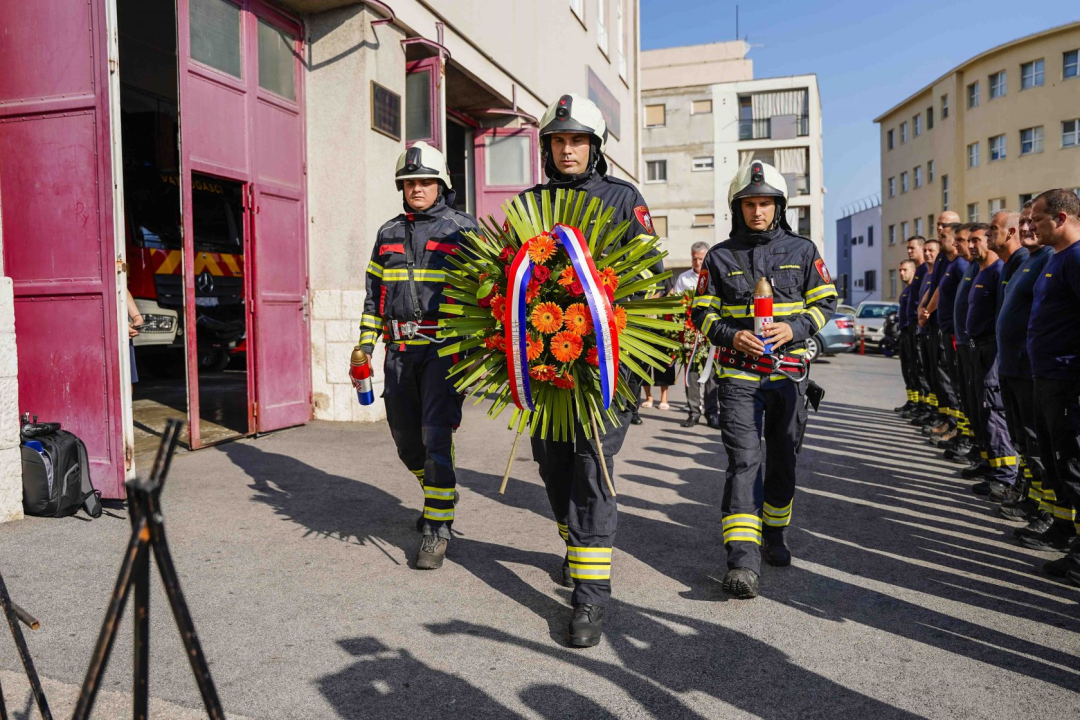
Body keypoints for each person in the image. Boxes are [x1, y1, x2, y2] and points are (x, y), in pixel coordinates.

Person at [519, 93, 661, 647]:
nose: (567, 149)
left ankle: (590, 598)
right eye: (558, 140)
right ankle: (576, 542)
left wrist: (638, 352)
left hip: (607, 367)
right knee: (552, 464)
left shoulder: (624, 198)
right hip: (547, 366)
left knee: (591, 467)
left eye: (577, 140)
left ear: (594, 147)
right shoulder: (530, 204)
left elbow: (648, 279)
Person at [691, 159, 837, 598]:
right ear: (738, 207)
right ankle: (742, 561)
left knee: (784, 460)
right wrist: (731, 336)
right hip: (737, 378)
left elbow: (826, 303)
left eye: (766, 203)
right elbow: (701, 313)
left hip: (788, 378)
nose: (758, 211)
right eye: (750, 203)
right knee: (744, 461)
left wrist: (795, 329)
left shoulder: (803, 250)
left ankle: (775, 534)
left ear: (779, 206)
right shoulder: (719, 256)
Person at [360, 142, 479, 570]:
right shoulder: (387, 233)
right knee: (406, 440)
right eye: (409, 182)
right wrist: (364, 344)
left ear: (441, 184)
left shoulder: (463, 229)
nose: (417, 188)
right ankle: (438, 493)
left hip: (443, 353)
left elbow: (484, 295)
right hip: (398, 353)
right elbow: (374, 296)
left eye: (426, 181)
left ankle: (437, 528)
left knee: (435, 436)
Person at [1022, 189, 1080, 568]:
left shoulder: (1076, 258)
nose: (1031, 227)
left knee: (1073, 463)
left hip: (1067, 381)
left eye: (1037, 220)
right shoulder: (1056, 258)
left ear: (1060, 219)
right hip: (1046, 378)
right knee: (1057, 461)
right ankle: (1064, 532)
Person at [996, 201, 1054, 535]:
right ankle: (1032, 498)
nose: (1027, 228)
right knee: (1023, 440)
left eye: (1034, 221)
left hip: (1030, 370)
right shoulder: (1028, 261)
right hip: (1011, 367)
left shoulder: (1049, 257)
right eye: (1024, 222)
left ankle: (1049, 511)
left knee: (1038, 444)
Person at [961, 223, 1018, 496]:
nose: (972, 245)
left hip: (991, 350)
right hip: (977, 349)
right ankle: (990, 464)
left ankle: (1006, 477)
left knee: (994, 411)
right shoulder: (981, 270)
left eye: (977, 240)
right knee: (982, 411)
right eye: (970, 241)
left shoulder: (997, 271)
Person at [920, 213, 962, 442]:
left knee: (950, 378)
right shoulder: (942, 259)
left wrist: (928, 309)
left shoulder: (959, 262)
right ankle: (946, 419)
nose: (939, 229)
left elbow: (942, 290)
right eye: (938, 225)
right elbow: (936, 286)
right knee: (940, 376)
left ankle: (955, 425)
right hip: (937, 326)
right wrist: (922, 306)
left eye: (944, 226)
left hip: (949, 327)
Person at [677, 242, 720, 428]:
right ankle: (694, 412)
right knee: (692, 375)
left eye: (701, 259)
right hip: (691, 335)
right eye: (694, 258)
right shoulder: (683, 279)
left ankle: (712, 413)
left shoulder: (715, 276)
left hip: (711, 336)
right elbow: (678, 306)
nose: (697, 262)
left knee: (712, 375)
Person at [947, 225, 980, 462]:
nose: (959, 244)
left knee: (981, 402)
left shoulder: (981, 267)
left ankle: (975, 445)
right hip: (962, 342)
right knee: (967, 397)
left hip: (975, 346)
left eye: (964, 240)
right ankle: (973, 444)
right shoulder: (969, 266)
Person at [902, 237, 931, 421]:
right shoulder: (921, 271)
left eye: (912, 248)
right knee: (912, 368)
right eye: (908, 248)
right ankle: (917, 404)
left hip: (920, 325)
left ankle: (926, 407)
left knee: (922, 369)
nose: (909, 251)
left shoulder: (926, 270)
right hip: (911, 325)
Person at [914, 236, 941, 428]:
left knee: (939, 375)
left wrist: (925, 312)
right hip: (923, 329)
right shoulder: (925, 274)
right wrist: (920, 310)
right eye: (925, 250)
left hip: (934, 329)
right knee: (928, 373)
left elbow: (935, 294)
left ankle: (942, 416)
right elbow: (923, 297)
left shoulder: (937, 273)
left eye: (931, 250)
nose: (927, 253)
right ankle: (932, 411)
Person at [894, 260, 918, 413]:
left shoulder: (915, 288)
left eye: (905, 270)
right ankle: (912, 400)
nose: (902, 273)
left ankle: (919, 404)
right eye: (900, 270)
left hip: (912, 331)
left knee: (915, 369)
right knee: (906, 369)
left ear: (913, 271)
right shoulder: (906, 290)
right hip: (904, 332)